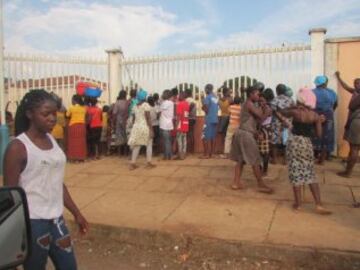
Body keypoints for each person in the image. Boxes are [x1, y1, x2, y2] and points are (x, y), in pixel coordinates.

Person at [5, 89, 89, 269]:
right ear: (30, 114)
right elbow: (10, 196)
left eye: (54, 113)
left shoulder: (53, 142)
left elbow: (57, 183)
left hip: (57, 222)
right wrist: (11, 239)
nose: (52, 118)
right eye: (46, 114)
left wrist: (77, 213)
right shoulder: (18, 148)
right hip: (32, 224)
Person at [280, 88, 331, 214]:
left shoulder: (296, 112)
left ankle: (298, 204)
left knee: (295, 171)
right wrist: (319, 122)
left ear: (300, 99)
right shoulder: (315, 115)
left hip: (295, 143)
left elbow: (281, 112)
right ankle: (318, 204)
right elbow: (319, 134)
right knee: (310, 172)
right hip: (307, 144)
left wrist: (292, 106)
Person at [230, 86, 273, 194]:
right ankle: (261, 184)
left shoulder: (250, 104)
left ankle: (236, 182)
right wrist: (267, 111)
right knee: (255, 160)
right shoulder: (249, 104)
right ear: (251, 95)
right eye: (257, 94)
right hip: (245, 135)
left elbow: (256, 121)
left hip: (242, 133)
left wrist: (256, 132)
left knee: (240, 160)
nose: (259, 97)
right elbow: (261, 117)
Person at [335, 71, 360, 177]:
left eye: (358, 83)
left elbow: (352, 106)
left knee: (354, 148)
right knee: (355, 148)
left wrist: (348, 123)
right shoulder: (355, 91)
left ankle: (348, 172)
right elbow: (345, 86)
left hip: (357, 121)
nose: (356, 85)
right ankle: (349, 166)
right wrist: (339, 78)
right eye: (355, 83)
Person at [312, 75, 338, 164]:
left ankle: (313, 156)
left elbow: (309, 105)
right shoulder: (332, 93)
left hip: (315, 116)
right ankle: (322, 160)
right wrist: (328, 112)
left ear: (316, 83)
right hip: (329, 116)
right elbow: (335, 104)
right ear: (325, 83)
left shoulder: (312, 92)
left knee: (314, 134)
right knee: (327, 136)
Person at [128, 89, 155, 170]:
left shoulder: (135, 106)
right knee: (149, 144)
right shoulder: (146, 105)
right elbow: (148, 118)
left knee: (137, 145)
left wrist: (135, 126)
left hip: (136, 127)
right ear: (144, 97)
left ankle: (133, 163)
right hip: (145, 127)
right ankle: (149, 162)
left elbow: (133, 119)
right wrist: (151, 129)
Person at [270, 84, 295, 164]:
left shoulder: (274, 100)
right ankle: (285, 160)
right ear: (285, 91)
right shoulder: (291, 100)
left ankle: (274, 159)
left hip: (277, 123)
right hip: (287, 124)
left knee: (274, 141)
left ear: (277, 91)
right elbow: (293, 111)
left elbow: (274, 111)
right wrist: (286, 120)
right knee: (286, 141)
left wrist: (281, 119)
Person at [258, 88, 275, 176]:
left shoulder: (267, 109)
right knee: (260, 152)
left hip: (264, 131)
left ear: (266, 101)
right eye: (259, 101)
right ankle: (262, 170)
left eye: (262, 101)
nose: (260, 103)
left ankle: (264, 170)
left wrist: (259, 131)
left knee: (265, 152)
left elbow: (261, 120)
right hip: (263, 130)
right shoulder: (263, 108)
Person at [66, 94, 87, 162]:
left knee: (73, 142)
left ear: (75, 100)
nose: (71, 101)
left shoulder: (71, 108)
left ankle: (74, 158)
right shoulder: (84, 108)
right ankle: (81, 157)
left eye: (72, 100)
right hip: (82, 126)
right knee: (81, 142)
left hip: (73, 126)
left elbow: (67, 115)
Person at [201, 84, 219, 159]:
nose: (205, 91)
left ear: (207, 89)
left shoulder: (207, 98)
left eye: (205, 89)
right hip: (215, 119)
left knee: (205, 137)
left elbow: (206, 110)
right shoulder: (215, 98)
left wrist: (203, 106)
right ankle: (213, 153)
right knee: (213, 137)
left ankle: (206, 154)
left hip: (208, 119)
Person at [113, 90, 129, 156]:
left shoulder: (117, 103)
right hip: (126, 120)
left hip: (119, 120)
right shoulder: (127, 102)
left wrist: (114, 121)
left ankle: (119, 153)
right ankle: (125, 152)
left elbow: (114, 113)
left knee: (119, 136)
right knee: (126, 135)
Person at [159, 89, 174, 160]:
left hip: (164, 124)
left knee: (166, 141)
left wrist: (161, 99)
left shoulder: (165, 103)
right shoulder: (171, 103)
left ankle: (167, 156)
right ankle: (169, 155)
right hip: (169, 123)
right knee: (168, 140)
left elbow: (159, 110)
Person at [175, 91, 190, 160]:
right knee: (184, 140)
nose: (178, 96)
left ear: (182, 96)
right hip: (186, 123)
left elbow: (178, 116)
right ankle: (184, 154)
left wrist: (176, 125)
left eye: (179, 95)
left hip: (180, 124)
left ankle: (180, 155)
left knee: (179, 140)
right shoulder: (187, 104)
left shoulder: (179, 104)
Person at [185, 88, 197, 154]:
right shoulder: (194, 100)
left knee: (187, 135)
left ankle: (189, 150)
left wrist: (187, 113)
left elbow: (188, 108)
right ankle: (192, 150)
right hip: (193, 118)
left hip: (188, 118)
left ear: (187, 93)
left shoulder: (187, 100)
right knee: (191, 134)